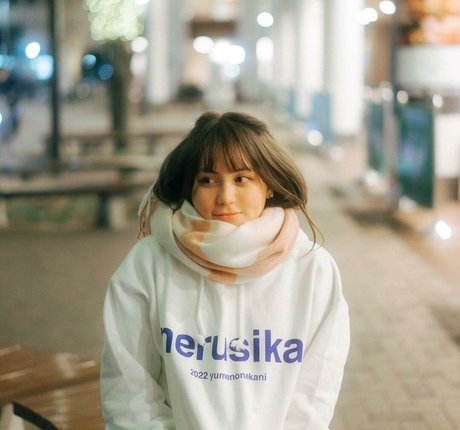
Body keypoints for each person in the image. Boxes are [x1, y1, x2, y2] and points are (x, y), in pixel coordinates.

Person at [100, 111, 350, 429]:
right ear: (190, 187)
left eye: (241, 179)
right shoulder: (148, 264)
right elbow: (128, 386)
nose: (225, 197)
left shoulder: (312, 269)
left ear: (269, 184)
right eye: (208, 180)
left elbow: (314, 393)